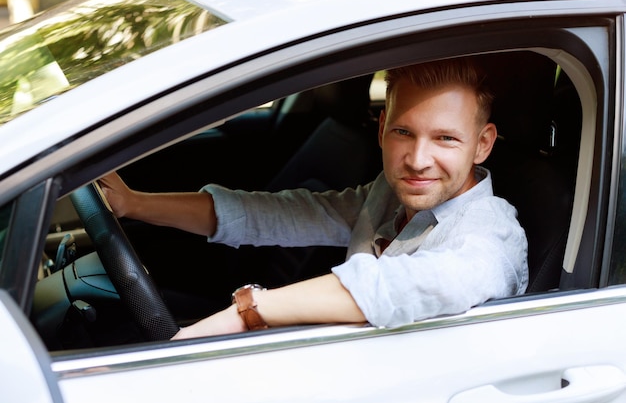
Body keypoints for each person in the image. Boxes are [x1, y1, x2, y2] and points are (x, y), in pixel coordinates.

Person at [99, 57, 528, 340]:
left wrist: (244, 313)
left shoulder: (492, 234)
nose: (418, 160)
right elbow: (280, 214)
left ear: (482, 144)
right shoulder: (388, 192)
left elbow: (395, 286)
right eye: (403, 132)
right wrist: (135, 203)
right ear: (381, 129)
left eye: (445, 139)